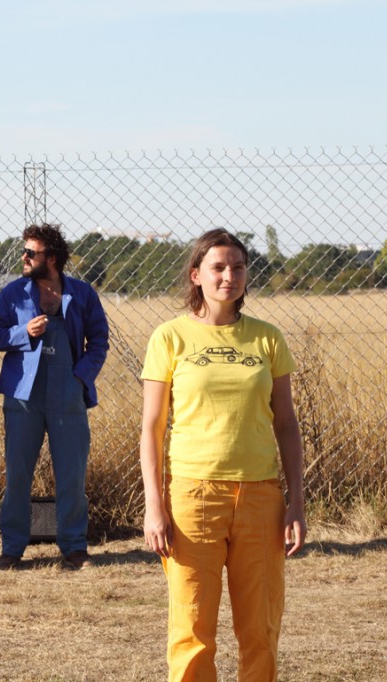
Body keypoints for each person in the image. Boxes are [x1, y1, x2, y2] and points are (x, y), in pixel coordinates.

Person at [139, 228, 306, 681]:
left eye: (237, 267)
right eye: (217, 267)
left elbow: (286, 425)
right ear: (196, 275)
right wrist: (156, 507)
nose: (228, 275)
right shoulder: (169, 338)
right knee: (192, 631)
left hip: (260, 498)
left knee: (261, 629)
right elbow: (152, 429)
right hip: (194, 499)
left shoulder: (267, 339)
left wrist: (295, 502)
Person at [0, 224, 109, 570]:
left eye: (31, 253)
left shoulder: (82, 294)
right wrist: (22, 332)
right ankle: (12, 548)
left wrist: (80, 376)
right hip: (23, 395)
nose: (23, 258)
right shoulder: (13, 294)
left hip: (68, 392)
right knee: (18, 473)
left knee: (71, 472)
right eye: (24, 251)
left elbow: (99, 341)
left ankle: (74, 546)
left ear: (51, 258)